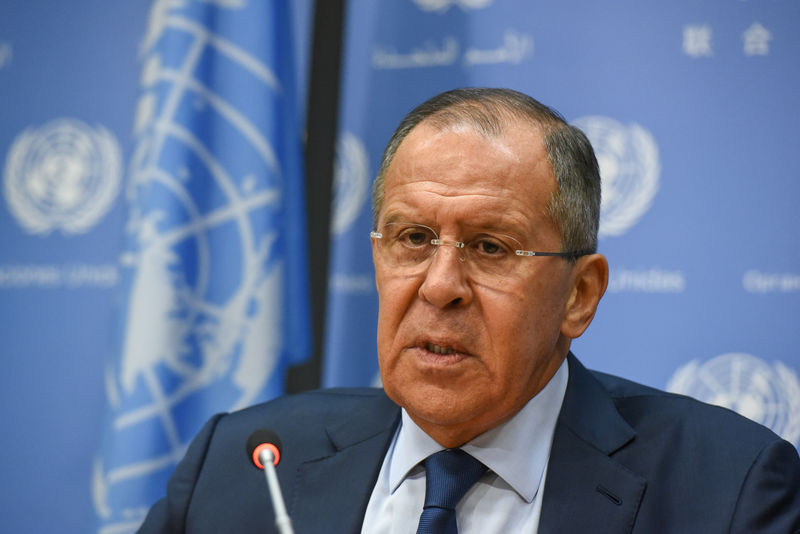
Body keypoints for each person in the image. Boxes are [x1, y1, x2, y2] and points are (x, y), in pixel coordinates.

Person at [138, 88, 800, 533]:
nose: (439, 286)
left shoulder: (728, 492)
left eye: (490, 247)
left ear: (580, 294)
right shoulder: (245, 464)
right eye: (413, 239)